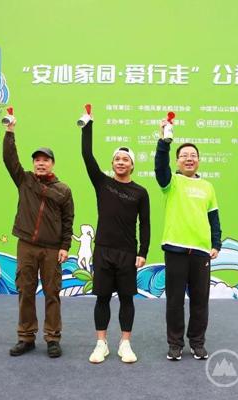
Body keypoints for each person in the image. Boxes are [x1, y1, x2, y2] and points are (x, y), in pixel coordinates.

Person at [80, 116, 150, 363]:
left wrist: (143, 252)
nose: (121, 162)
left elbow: (145, 224)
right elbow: (87, 156)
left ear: (132, 165)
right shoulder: (102, 183)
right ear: (112, 163)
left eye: (125, 159)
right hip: (103, 250)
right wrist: (87, 126)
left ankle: (125, 344)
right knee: (102, 298)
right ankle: (101, 343)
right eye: (117, 159)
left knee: (127, 298)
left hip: (127, 253)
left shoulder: (140, 192)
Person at [3, 117, 74, 358]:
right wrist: (10, 132)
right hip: (26, 245)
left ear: (52, 164)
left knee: (52, 293)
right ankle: (26, 337)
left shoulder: (63, 189)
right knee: (25, 291)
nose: (40, 163)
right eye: (37, 160)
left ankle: (53, 338)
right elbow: (9, 159)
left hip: (52, 249)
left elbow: (68, 220)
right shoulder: (25, 180)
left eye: (45, 160)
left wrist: (65, 246)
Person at [154, 120, 221, 361]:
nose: (189, 159)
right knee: (174, 301)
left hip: (201, 251)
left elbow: (214, 217)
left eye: (193, 156)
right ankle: (175, 344)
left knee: (200, 301)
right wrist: (164, 142)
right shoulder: (171, 182)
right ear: (177, 161)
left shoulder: (207, 187)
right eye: (184, 156)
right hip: (176, 249)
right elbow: (160, 166)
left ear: (199, 161)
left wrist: (216, 244)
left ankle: (197, 342)